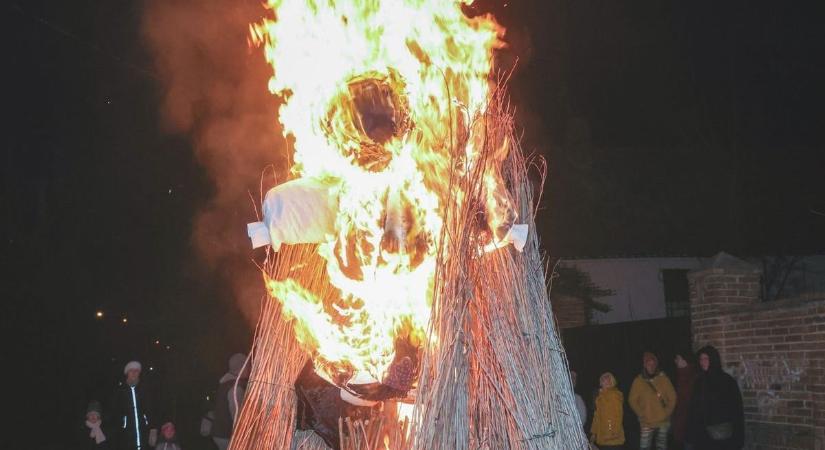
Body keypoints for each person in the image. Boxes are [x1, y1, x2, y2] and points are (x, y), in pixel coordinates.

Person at [685, 346, 744, 450]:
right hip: (702, 434)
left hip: (721, 434)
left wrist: (738, 437)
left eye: (706, 359)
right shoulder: (699, 381)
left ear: (713, 359)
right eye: (700, 359)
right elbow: (693, 408)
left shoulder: (726, 381)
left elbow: (736, 409)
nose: (702, 362)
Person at [628, 351, 676, 450]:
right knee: (644, 447)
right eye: (648, 364)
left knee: (661, 447)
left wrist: (666, 413)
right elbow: (632, 400)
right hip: (646, 421)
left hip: (663, 421)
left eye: (653, 364)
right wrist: (641, 414)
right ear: (644, 365)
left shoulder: (663, 379)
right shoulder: (638, 381)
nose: (651, 366)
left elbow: (673, 397)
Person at [112, 360, 157, 450]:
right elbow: (115, 413)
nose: (134, 373)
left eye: (136, 371)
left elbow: (152, 410)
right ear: (127, 373)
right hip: (126, 435)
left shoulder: (146, 389)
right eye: (131, 371)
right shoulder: (120, 391)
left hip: (144, 432)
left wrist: (153, 428)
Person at [212, 353, 250, 450]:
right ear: (241, 367)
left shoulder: (226, 383)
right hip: (226, 434)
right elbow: (237, 414)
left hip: (219, 432)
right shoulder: (235, 388)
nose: (249, 369)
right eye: (247, 365)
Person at [590, 372, 625, 449]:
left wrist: (613, 432)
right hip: (602, 436)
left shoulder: (614, 395)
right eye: (603, 380)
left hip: (612, 437)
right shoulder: (600, 398)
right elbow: (596, 417)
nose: (605, 382)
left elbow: (618, 415)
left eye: (608, 379)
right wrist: (593, 433)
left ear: (612, 382)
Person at [672, 353, 697, 450]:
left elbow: (686, 399)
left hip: (689, 423)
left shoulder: (691, 376)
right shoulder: (681, 374)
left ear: (684, 361)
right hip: (683, 422)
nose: (675, 361)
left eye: (677, 358)